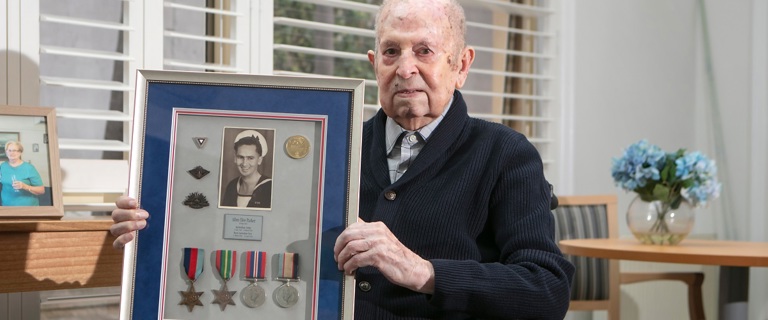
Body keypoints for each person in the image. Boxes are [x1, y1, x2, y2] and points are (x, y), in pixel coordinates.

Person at [111, 0, 574, 318]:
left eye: (425, 51)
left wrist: (425, 272)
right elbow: (243, 224)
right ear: (374, 63)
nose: (405, 67)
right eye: (391, 51)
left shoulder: (506, 155)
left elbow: (546, 290)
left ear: (463, 64)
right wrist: (159, 220)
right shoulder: (327, 143)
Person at [219, 129, 272, 208]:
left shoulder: (269, 187)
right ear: (235, 158)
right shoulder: (232, 186)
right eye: (240, 157)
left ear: (259, 160)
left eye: (250, 158)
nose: (244, 163)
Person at [0, 141, 46, 206]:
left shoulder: (29, 168)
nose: (11, 153)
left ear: (20, 152)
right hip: (7, 206)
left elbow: (41, 190)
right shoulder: (2, 166)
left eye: (14, 150)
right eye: (9, 150)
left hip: (27, 207)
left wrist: (25, 186)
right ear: (6, 152)